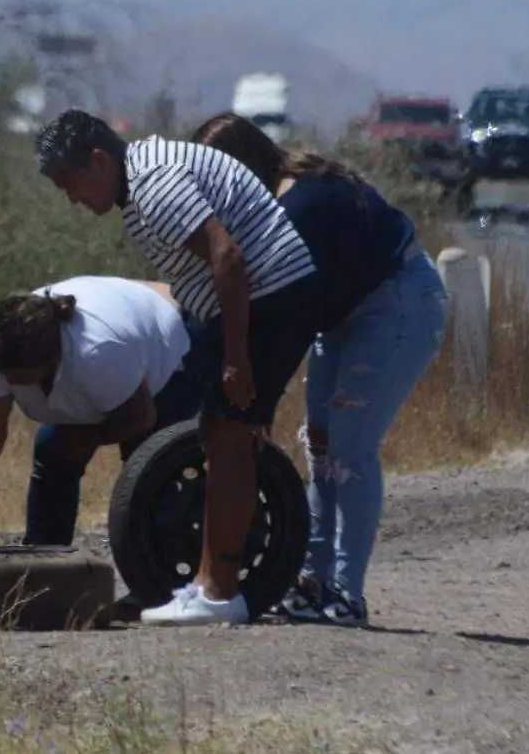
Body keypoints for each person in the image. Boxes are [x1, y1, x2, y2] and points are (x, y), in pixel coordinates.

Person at [32, 109, 324, 626]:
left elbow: (227, 257)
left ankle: (218, 595)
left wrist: (235, 356)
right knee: (218, 433)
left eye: (70, 184)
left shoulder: (153, 185)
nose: (72, 200)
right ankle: (207, 585)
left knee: (228, 437)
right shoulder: (143, 181)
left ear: (99, 161)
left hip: (271, 297)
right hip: (259, 300)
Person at [191, 112, 449, 628]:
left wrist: (258, 399)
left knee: (350, 450)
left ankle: (348, 595)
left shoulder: (299, 207)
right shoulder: (279, 201)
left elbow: (287, 316)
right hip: (348, 315)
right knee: (323, 448)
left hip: (396, 304)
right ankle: (312, 583)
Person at [0, 276, 214, 549]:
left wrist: (82, 439)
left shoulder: (97, 351)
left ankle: (164, 568)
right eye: (2, 370)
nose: (7, 378)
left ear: (51, 358)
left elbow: (140, 418)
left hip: (170, 350)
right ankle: (45, 562)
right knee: (53, 451)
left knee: (148, 464)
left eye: (18, 373)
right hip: (120, 335)